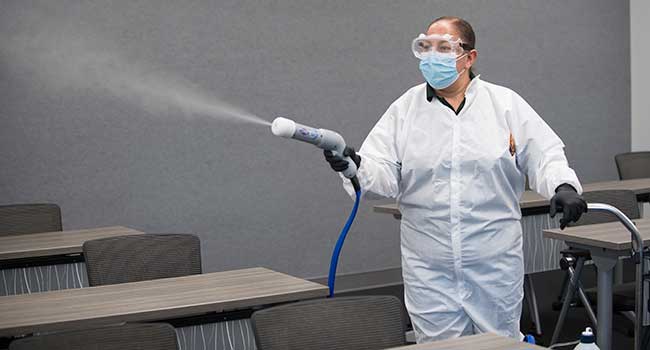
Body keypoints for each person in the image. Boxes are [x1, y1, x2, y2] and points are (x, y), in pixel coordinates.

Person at [324, 16, 587, 343]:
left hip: (493, 261)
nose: (432, 55)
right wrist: (355, 166)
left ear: (469, 57)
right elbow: (382, 174)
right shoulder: (405, 109)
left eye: (444, 47)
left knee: (499, 343)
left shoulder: (504, 104)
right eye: (426, 47)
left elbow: (544, 153)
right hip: (429, 266)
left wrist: (562, 186)